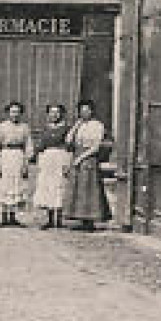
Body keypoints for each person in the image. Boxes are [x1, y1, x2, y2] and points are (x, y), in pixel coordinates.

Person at [64, 98, 114, 230]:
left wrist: (81, 158)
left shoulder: (97, 125)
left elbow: (96, 147)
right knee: (78, 188)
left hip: (89, 158)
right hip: (77, 156)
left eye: (87, 110)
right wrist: (76, 126)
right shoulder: (79, 125)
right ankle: (80, 218)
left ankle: (90, 219)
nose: (84, 112)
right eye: (81, 110)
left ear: (92, 111)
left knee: (89, 189)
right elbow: (68, 141)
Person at [0, 102, 32, 227]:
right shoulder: (1, 127)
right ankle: (4, 217)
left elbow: (28, 146)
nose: (15, 115)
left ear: (21, 114)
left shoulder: (25, 127)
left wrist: (26, 163)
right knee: (4, 185)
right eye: (12, 112)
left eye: (17, 112)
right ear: (8, 113)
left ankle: (13, 217)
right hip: (5, 156)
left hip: (18, 157)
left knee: (16, 185)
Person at [31, 103, 73, 229]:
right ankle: (49, 219)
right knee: (48, 187)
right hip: (47, 159)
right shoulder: (45, 129)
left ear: (62, 114)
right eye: (52, 112)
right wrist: (40, 161)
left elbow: (69, 147)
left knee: (59, 186)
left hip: (60, 157)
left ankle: (58, 219)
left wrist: (67, 163)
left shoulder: (66, 129)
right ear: (48, 114)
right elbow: (40, 146)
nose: (54, 115)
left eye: (57, 112)